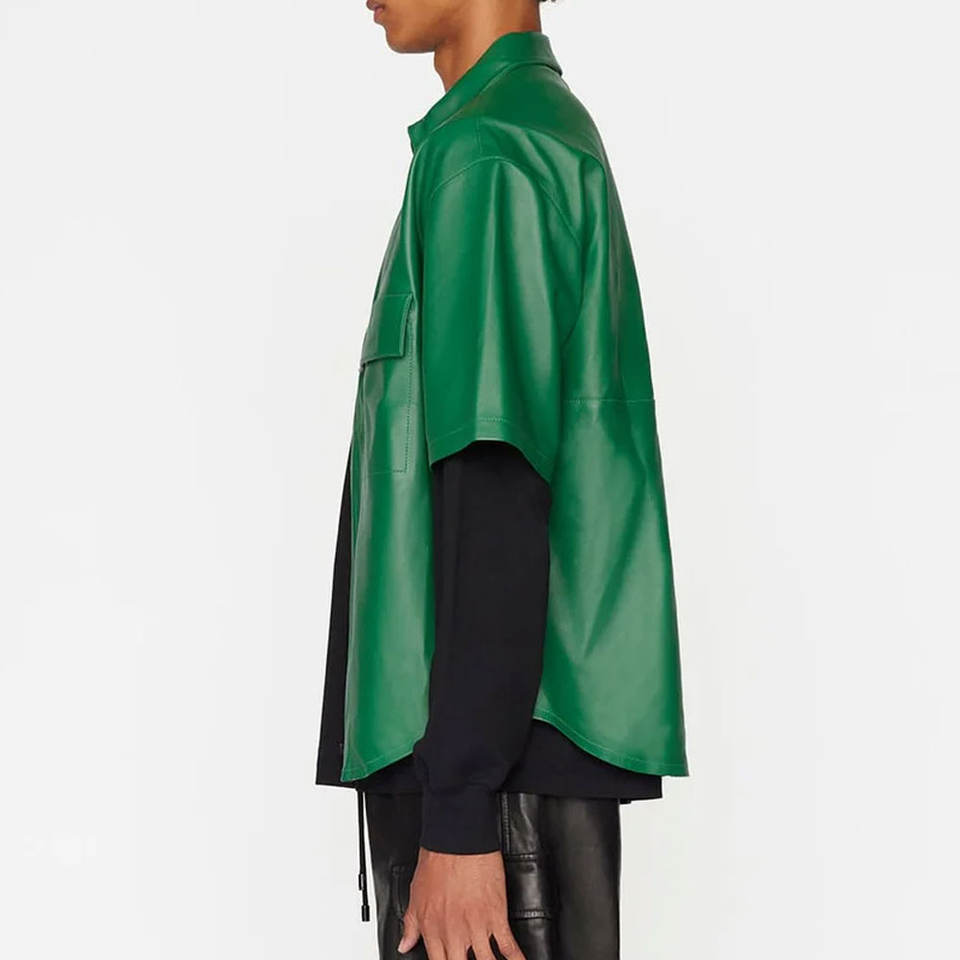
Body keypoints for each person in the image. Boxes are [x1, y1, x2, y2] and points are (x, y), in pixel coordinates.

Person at [315, 2, 689, 958]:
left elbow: (496, 479)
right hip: (502, 766)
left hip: (491, 787)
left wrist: (459, 810)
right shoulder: (522, 134)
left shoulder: (491, 154)